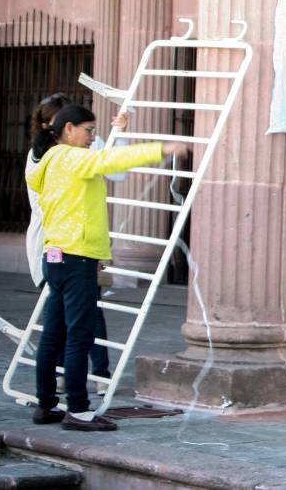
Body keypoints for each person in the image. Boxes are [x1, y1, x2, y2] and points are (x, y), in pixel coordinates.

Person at [26, 104, 189, 431]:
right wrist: (162, 149)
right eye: (88, 130)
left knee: (53, 334)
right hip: (77, 256)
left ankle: (46, 404)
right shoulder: (72, 158)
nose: (92, 137)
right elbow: (112, 161)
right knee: (79, 334)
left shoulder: (49, 160)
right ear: (68, 129)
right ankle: (79, 410)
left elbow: (84, 190)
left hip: (56, 254)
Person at [26, 94, 126, 392]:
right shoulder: (49, 157)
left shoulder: (74, 150)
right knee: (69, 320)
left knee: (70, 317)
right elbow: (114, 167)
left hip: (66, 246)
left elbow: (115, 168)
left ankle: (81, 382)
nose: (91, 136)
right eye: (87, 130)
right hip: (64, 245)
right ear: (62, 127)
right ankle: (72, 394)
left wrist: (119, 134)